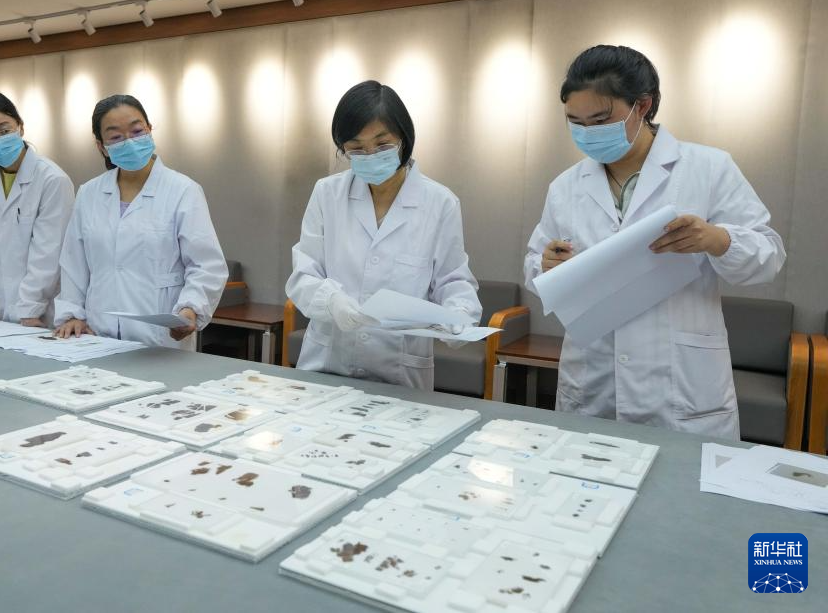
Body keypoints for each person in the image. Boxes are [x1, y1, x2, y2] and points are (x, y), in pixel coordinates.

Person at [525, 44, 786, 440]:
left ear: (642, 106)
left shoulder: (707, 168)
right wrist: (545, 265)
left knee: (679, 477)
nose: (588, 132)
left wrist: (717, 239)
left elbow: (769, 256)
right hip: (593, 381)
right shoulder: (566, 187)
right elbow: (534, 266)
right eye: (575, 122)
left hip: (680, 388)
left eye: (600, 119)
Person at [286, 80, 482, 391]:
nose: (370, 155)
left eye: (382, 144)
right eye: (356, 148)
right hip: (327, 366)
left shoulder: (440, 203)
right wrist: (331, 301)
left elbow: (453, 280)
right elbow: (303, 275)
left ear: (404, 139)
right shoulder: (327, 194)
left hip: (400, 374)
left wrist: (459, 313)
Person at [54, 94, 227, 347]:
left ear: (150, 130)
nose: (130, 142)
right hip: (97, 335)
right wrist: (72, 314)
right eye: (116, 137)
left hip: (160, 339)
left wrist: (191, 309)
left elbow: (206, 265)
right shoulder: (89, 193)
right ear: (101, 146)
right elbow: (74, 264)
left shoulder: (182, 190)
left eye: (137, 131)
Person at [0, 92, 74, 326]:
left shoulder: (52, 179)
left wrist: (30, 309)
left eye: (4, 130)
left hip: (43, 310)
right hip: (5, 306)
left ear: (21, 127)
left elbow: (48, 254)